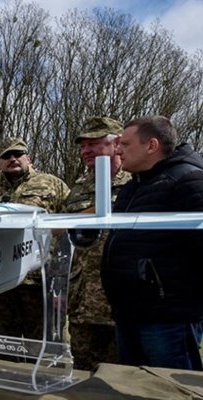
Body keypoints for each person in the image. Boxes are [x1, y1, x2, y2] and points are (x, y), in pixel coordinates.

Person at [101, 115, 203, 370]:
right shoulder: (131, 188)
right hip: (129, 312)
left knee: (168, 386)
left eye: (125, 144)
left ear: (151, 145)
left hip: (168, 319)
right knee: (132, 385)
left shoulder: (188, 181)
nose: (118, 151)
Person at [0, 137, 70, 341]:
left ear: (29, 157)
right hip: (0, 283)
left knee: (41, 343)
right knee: (3, 344)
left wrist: (62, 272)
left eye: (18, 154)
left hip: (39, 281)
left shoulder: (51, 184)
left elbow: (69, 226)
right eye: (6, 156)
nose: (12, 159)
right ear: (0, 162)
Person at [65, 117, 130, 370]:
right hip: (82, 301)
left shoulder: (138, 183)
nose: (85, 150)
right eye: (83, 146)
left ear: (117, 144)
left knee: (123, 375)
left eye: (93, 143)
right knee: (83, 373)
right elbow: (63, 238)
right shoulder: (78, 188)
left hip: (122, 302)